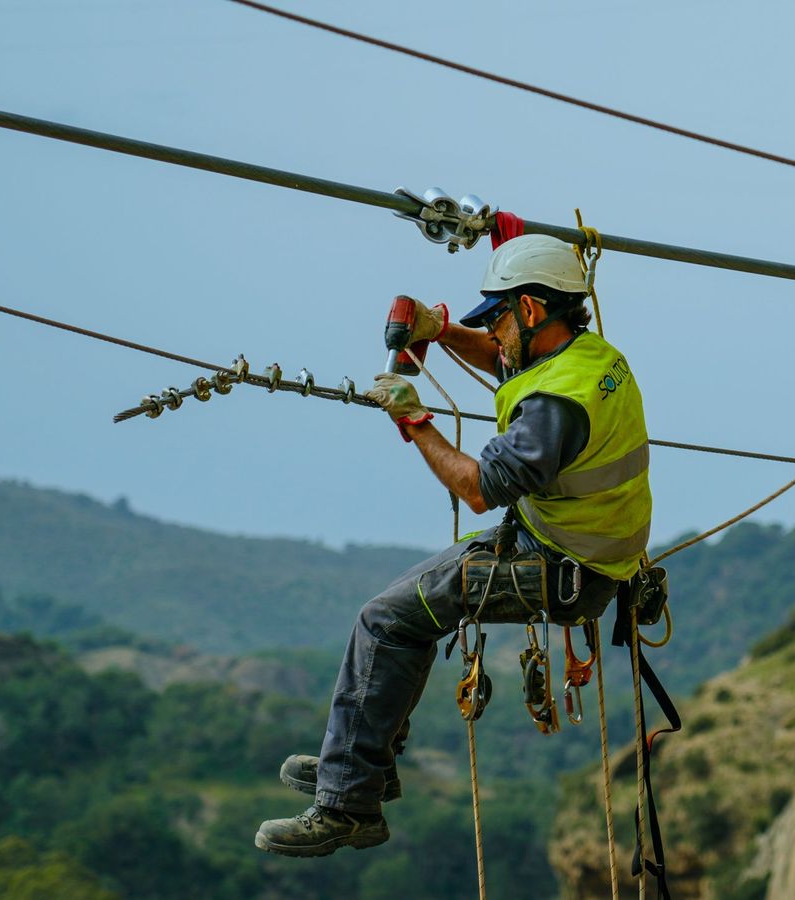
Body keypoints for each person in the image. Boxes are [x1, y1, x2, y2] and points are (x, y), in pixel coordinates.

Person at [255, 234, 652, 858]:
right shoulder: (585, 357)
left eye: (496, 317)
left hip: (557, 566)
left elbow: (477, 487)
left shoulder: (557, 403)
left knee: (386, 621)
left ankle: (347, 804)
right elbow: (506, 362)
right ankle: (363, 760)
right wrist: (439, 331)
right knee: (400, 616)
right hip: (576, 552)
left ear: (528, 309)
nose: (490, 332)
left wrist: (415, 420)